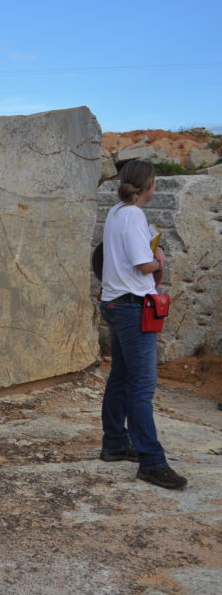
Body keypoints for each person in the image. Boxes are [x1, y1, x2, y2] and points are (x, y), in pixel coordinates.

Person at [99, 159, 187, 490]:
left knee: (121, 377)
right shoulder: (134, 215)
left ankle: (116, 443)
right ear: (149, 184)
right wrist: (160, 259)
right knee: (141, 386)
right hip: (133, 307)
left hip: (115, 303)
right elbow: (142, 263)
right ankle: (152, 461)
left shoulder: (116, 212)